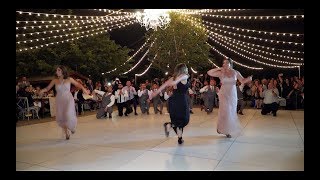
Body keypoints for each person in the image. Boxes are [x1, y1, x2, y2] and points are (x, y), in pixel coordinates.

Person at [40, 65, 89, 140]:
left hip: (68, 98)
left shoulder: (69, 79)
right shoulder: (54, 80)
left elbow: (78, 84)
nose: (57, 72)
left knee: (68, 114)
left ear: (63, 71)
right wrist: (42, 90)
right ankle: (67, 132)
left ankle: (71, 127)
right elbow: (47, 88)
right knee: (62, 117)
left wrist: (84, 90)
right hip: (59, 100)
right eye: (56, 70)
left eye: (58, 70)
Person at [207, 58, 252, 138]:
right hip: (223, 93)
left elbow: (242, 80)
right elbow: (209, 72)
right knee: (225, 111)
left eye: (226, 63)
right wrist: (219, 68)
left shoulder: (235, 72)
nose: (224, 64)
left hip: (232, 94)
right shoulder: (221, 73)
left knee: (230, 112)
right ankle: (222, 128)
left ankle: (227, 130)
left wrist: (248, 79)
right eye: (223, 63)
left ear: (230, 64)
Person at [150, 63, 190, 145]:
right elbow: (178, 81)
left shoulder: (173, 78)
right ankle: (169, 125)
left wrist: (156, 92)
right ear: (184, 69)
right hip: (180, 100)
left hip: (172, 101)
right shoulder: (184, 76)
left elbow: (164, 85)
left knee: (177, 120)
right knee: (184, 120)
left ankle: (180, 138)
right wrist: (174, 82)